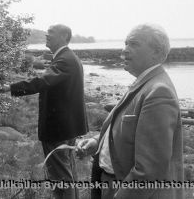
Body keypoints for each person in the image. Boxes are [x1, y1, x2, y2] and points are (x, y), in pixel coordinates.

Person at [77, 24, 183, 199]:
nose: (124, 50)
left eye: (133, 44)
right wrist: (99, 142)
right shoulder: (144, 83)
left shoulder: (158, 92)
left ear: (156, 52)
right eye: (125, 44)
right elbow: (129, 128)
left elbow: (150, 170)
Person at [1, 24, 88, 199]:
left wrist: (9, 88)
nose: (47, 35)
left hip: (58, 129)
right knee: (67, 172)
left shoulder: (65, 59)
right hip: (66, 127)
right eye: (47, 32)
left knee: (60, 177)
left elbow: (43, 81)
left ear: (64, 36)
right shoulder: (67, 57)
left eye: (51, 33)